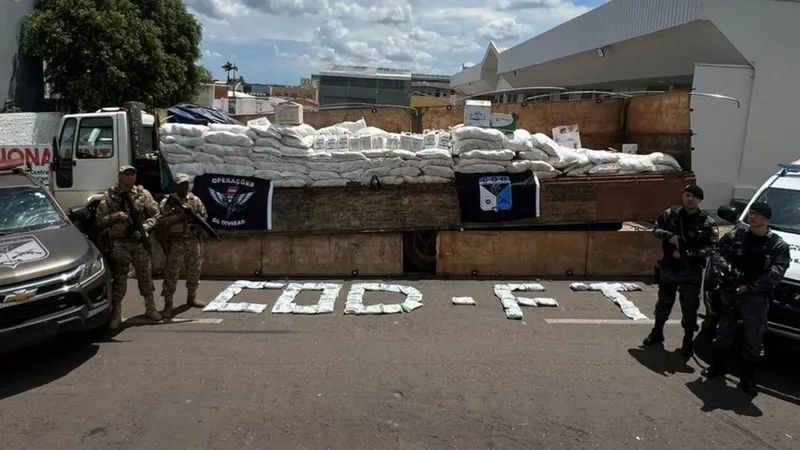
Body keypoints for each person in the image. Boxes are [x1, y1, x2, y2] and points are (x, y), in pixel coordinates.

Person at [701, 202, 790, 395]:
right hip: (731, 293)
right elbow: (717, 252)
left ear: (767, 218)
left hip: (755, 299)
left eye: (758, 214)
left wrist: (750, 287)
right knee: (724, 332)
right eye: (751, 213)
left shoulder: (777, 244)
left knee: (754, 339)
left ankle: (747, 378)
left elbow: (777, 273)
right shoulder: (737, 236)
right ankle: (718, 367)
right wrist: (725, 270)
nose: (753, 217)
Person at [643, 184, 718, 357]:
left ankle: (687, 341)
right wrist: (670, 237)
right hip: (669, 268)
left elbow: (712, 247)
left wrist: (689, 254)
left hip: (690, 272)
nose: (690, 199)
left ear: (700, 200)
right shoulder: (671, 214)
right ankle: (657, 332)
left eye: (694, 197)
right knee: (663, 303)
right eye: (687, 195)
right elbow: (656, 229)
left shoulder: (707, 222)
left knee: (690, 310)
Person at [95, 166, 162, 329]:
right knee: (119, 278)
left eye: (133, 174)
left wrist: (145, 227)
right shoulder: (110, 196)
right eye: (127, 174)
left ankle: (150, 308)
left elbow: (156, 214)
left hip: (139, 241)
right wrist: (116, 216)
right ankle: (116, 314)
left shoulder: (143, 195)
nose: (130, 177)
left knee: (145, 275)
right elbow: (99, 220)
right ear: (120, 176)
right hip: (120, 243)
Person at [157, 173, 208, 318]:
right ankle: (168, 303)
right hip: (176, 242)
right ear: (175, 186)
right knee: (171, 273)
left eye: (186, 184)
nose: (184, 187)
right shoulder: (168, 202)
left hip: (192, 240)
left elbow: (204, 216)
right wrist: (179, 217)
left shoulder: (194, 200)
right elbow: (161, 221)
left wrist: (196, 224)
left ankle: (191, 297)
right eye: (181, 184)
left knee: (195, 270)